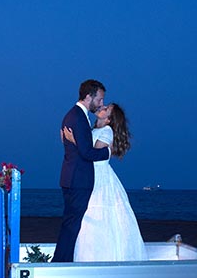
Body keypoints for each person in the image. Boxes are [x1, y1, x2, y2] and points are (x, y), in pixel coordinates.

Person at [63, 103, 148, 262]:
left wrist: (74, 140)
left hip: (99, 177)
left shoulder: (107, 131)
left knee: (98, 215)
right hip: (88, 175)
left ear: (109, 119)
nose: (102, 107)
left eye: (106, 109)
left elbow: (92, 154)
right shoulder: (92, 130)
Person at [52, 79, 111, 263]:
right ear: (88, 96)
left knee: (70, 224)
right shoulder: (78, 116)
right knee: (72, 225)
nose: (101, 103)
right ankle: (61, 263)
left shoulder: (76, 115)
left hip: (72, 178)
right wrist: (108, 152)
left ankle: (62, 261)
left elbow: (79, 148)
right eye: (99, 99)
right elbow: (86, 152)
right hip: (78, 180)